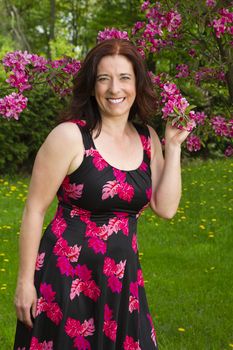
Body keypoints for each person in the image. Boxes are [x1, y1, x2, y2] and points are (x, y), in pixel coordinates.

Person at [13, 38, 190, 350]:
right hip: (66, 277)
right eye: (103, 78)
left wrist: (173, 147)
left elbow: (166, 207)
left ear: (137, 84)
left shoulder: (147, 138)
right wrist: (25, 283)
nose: (114, 89)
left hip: (122, 280)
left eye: (124, 78)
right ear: (92, 86)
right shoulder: (69, 136)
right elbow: (34, 210)